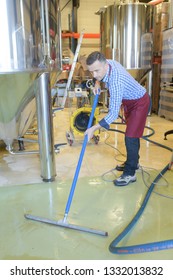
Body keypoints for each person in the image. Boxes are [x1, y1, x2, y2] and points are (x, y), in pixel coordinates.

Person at [85, 51, 150, 187]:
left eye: (96, 71)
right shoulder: (107, 63)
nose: (94, 74)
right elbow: (98, 75)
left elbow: (113, 114)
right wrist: (97, 82)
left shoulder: (116, 81)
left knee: (131, 136)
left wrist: (94, 128)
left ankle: (130, 173)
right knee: (132, 134)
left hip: (140, 103)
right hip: (129, 102)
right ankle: (134, 163)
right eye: (92, 72)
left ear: (104, 65)